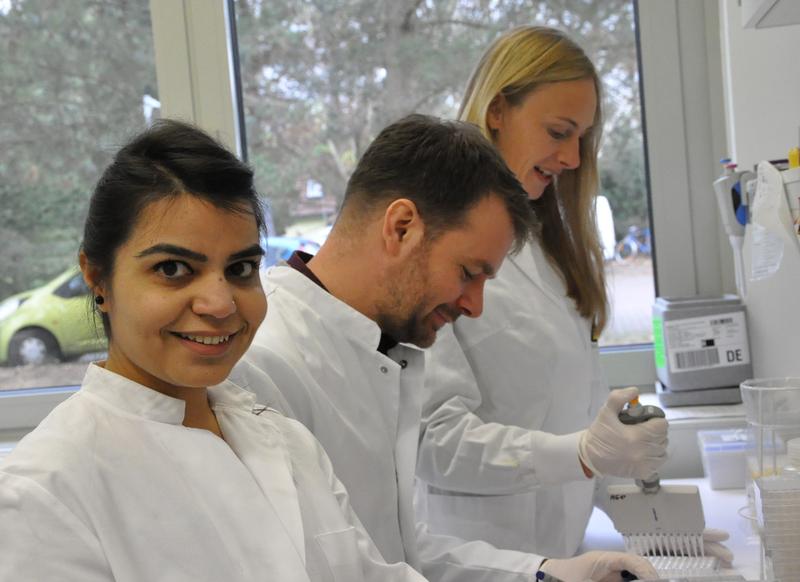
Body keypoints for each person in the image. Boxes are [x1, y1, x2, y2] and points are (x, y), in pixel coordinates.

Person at [233, 114, 657, 582]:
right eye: (469, 273)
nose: (475, 307)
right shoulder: (261, 364)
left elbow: (394, 549)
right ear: (401, 228)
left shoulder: (377, 350)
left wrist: (544, 573)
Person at [0, 120, 427, 582]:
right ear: (98, 278)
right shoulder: (47, 489)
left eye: (241, 268)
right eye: (173, 268)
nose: (221, 304)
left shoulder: (286, 441)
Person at [415, 25, 732, 566]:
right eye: (559, 132)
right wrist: (580, 455)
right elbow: (433, 442)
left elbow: (577, 417)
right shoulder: (435, 245)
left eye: (582, 137)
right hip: (480, 558)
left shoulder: (548, 246)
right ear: (497, 111)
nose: (573, 158)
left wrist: (652, 524)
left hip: (564, 552)